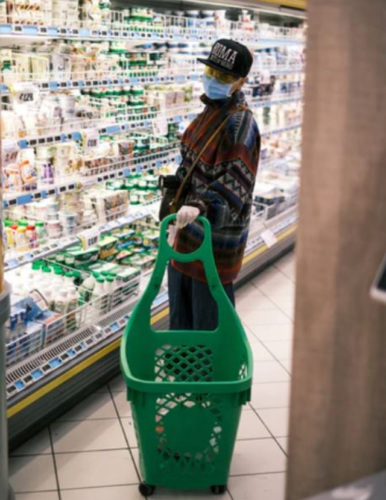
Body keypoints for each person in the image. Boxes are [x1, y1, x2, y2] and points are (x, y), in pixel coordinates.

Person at [167, 39, 261, 331]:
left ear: (240, 82)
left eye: (223, 76)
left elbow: (234, 188)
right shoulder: (210, 111)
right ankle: (181, 372)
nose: (213, 80)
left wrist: (199, 205)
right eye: (211, 70)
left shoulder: (240, 124)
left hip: (213, 245)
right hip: (185, 235)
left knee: (207, 329)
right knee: (182, 322)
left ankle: (206, 377)